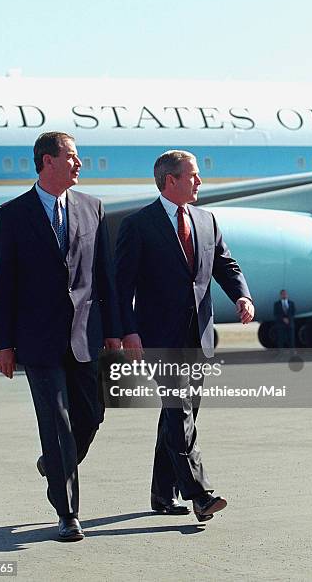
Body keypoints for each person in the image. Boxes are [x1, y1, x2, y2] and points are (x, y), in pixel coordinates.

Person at [0, 131, 121, 541]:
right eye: (72, 157)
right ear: (48, 161)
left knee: (92, 416)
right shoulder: (11, 215)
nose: (79, 164)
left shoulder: (92, 208)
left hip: (86, 336)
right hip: (38, 340)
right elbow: (2, 285)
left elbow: (104, 278)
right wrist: (3, 344)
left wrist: (115, 332)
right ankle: (68, 513)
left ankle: (54, 462)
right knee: (57, 422)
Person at [115, 150, 254, 522]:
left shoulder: (207, 219)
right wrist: (127, 330)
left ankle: (162, 494)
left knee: (178, 414)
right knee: (180, 413)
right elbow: (121, 285)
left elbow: (225, 263)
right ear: (170, 180)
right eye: (192, 175)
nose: (199, 182)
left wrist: (241, 294)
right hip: (158, 337)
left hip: (199, 335)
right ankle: (199, 493)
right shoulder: (138, 224)